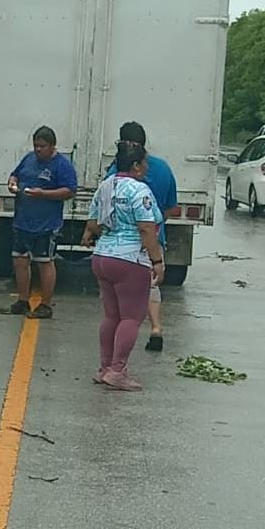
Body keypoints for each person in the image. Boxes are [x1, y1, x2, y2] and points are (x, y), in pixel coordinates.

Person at [82, 141, 165, 391]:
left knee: (111, 315)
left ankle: (105, 367)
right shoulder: (140, 191)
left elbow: (93, 223)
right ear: (136, 166)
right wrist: (157, 260)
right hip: (130, 258)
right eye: (144, 164)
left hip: (103, 255)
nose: (147, 168)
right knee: (132, 316)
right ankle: (118, 370)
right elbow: (146, 228)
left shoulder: (105, 187)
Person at [104, 121, 178, 352]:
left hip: (120, 244)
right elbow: (169, 207)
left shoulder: (115, 170)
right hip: (154, 238)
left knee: (121, 301)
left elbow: (106, 205)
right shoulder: (163, 168)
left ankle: (116, 357)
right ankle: (156, 327)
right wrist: (154, 222)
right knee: (152, 284)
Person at [1, 126, 77, 319]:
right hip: (22, 220)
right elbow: (15, 174)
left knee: (44, 262)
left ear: (52, 146)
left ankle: (45, 304)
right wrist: (12, 183)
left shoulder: (62, 165)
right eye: (36, 145)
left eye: (42, 146)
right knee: (20, 260)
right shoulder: (28, 159)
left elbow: (69, 190)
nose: (38, 149)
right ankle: (22, 300)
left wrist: (43, 194)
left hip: (46, 224)